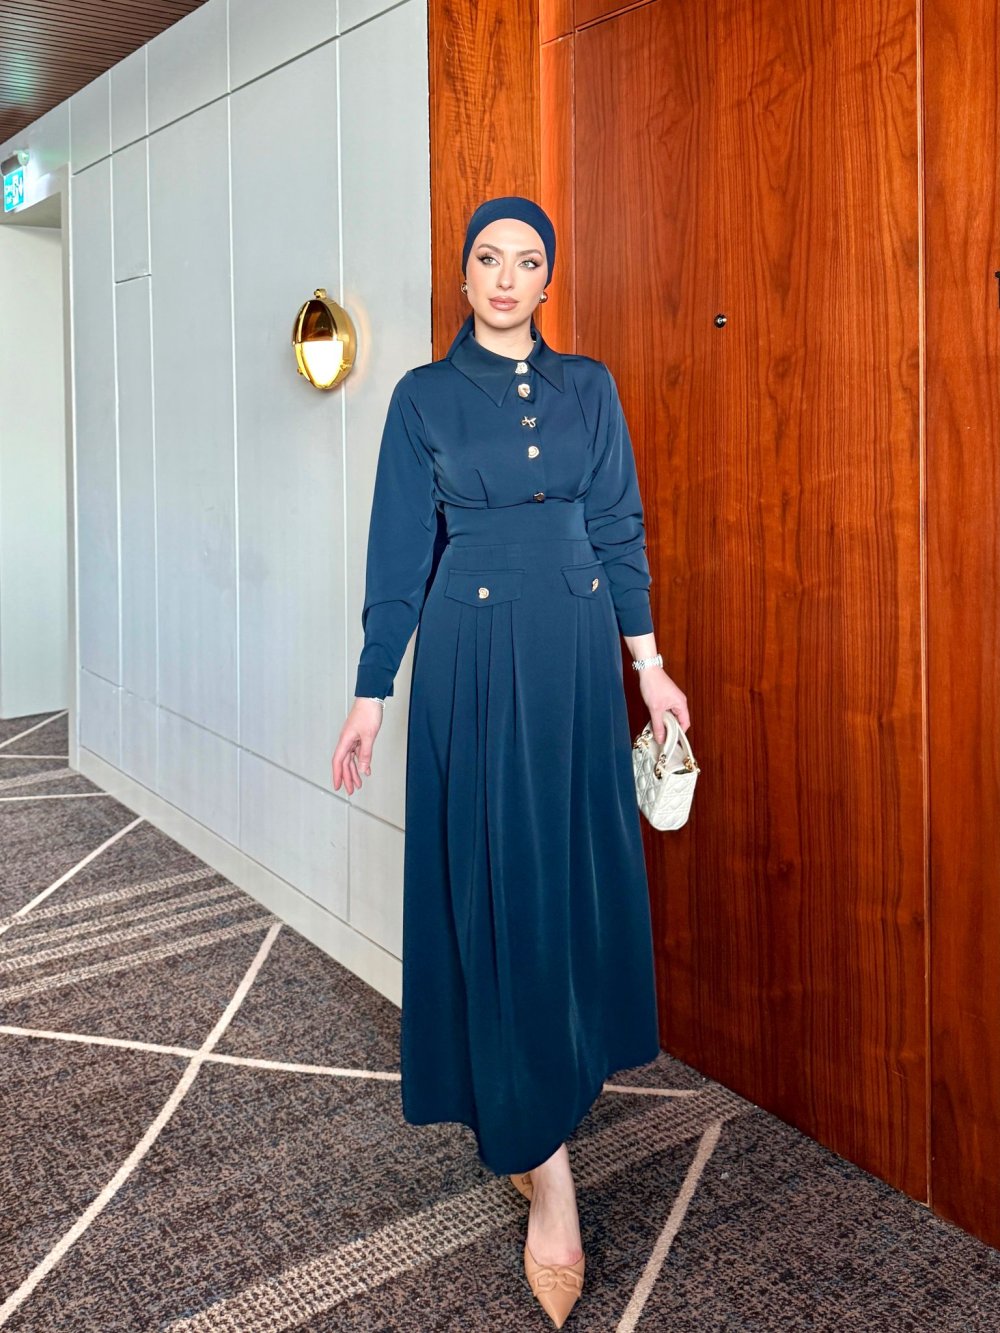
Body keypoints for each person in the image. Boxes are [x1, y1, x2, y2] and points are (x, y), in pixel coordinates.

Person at [332, 196, 691, 1328]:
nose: (504, 276)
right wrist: (371, 693)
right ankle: (547, 1172)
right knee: (494, 890)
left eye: (526, 261)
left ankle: (552, 1091)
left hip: (576, 655)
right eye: (487, 258)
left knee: (561, 890)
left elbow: (619, 528)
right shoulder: (422, 397)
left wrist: (649, 669)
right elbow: (399, 555)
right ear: (465, 275)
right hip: (474, 660)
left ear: (547, 280)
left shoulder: (591, 386)